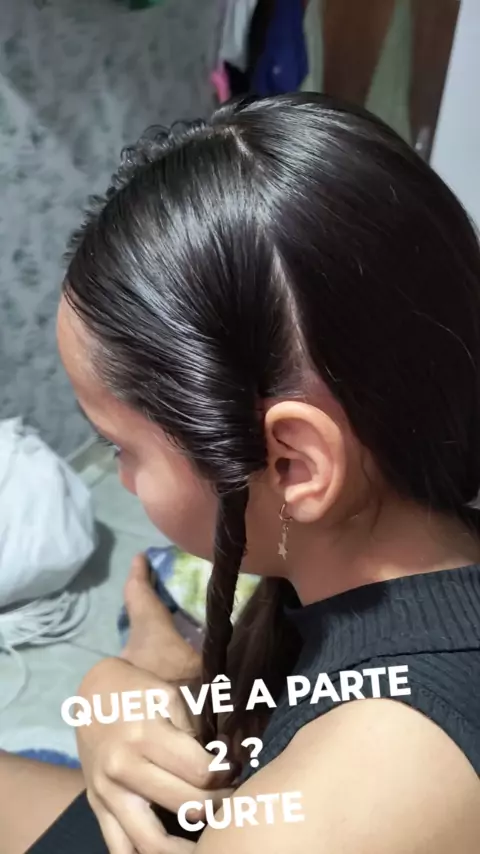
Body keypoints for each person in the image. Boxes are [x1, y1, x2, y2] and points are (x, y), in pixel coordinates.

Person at [2, 92, 480, 854]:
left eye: (121, 448)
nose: (120, 482)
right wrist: (111, 693)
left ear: (293, 463)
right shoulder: (409, 544)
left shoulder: (325, 816)